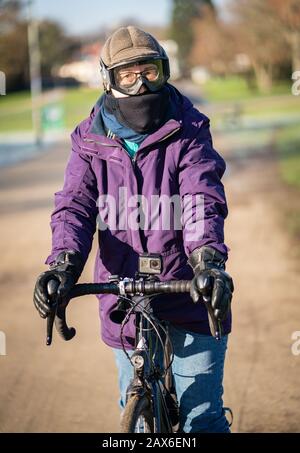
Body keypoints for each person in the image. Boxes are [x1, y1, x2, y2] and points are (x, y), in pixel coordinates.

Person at [33, 26, 234, 433]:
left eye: (150, 71)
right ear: (108, 79)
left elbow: (201, 196)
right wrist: (62, 266)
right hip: (122, 298)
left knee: (203, 421)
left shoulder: (190, 129)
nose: (141, 83)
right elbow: (74, 206)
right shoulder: (87, 139)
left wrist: (207, 262)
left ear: (165, 72)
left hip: (189, 291)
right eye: (128, 74)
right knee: (137, 421)